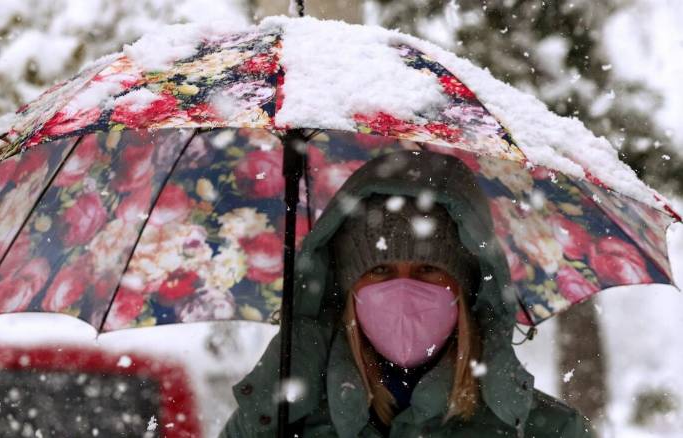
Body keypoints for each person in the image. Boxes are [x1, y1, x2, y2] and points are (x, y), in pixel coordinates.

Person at [221, 150, 593, 437]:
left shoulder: (544, 430)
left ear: (465, 289)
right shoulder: (272, 422)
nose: (403, 290)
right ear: (348, 289)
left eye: (428, 270)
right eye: (379, 270)